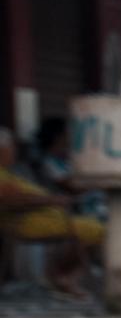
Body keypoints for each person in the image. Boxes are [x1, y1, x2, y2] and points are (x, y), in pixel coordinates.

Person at [0, 127, 104, 298]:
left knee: (92, 225)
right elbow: (12, 200)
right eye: (11, 147)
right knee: (96, 230)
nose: (14, 152)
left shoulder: (8, 172)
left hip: (41, 218)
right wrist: (52, 200)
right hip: (27, 223)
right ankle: (63, 276)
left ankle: (60, 274)